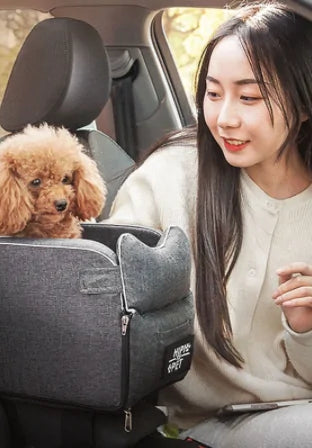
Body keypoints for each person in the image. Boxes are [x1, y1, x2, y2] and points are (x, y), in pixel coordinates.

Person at [106, 2, 312, 447]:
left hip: (292, 412)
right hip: (188, 422)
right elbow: (105, 307)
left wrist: (305, 330)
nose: (223, 118)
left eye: (249, 97)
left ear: (304, 103)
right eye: (213, 93)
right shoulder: (171, 176)